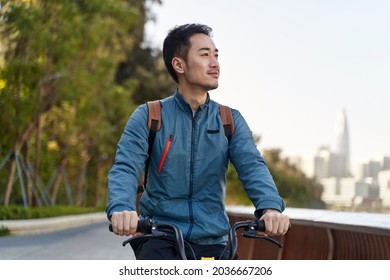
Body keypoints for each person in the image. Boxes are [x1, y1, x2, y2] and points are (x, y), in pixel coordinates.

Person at [106, 23, 289, 260]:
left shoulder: (229, 120)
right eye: (204, 55)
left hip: (214, 239)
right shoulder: (149, 115)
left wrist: (270, 208)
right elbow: (125, 166)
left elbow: (252, 166)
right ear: (179, 64)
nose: (215, 63)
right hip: (159, 236)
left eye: (216, 55)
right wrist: (122, 208)